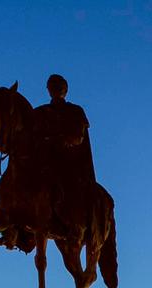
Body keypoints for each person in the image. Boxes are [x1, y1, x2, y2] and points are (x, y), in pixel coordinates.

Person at [32, 74, 95, 225]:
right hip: (44, 161)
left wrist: (63, 140)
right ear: (48, 90)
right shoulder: (40, 112)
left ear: (65, 89)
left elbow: (79, 137)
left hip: (68, 161)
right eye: (52, 86)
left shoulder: (75, 111)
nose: (55, 89)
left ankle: (76, 224)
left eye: (58, 86)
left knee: (71, 187)